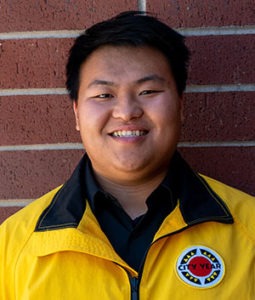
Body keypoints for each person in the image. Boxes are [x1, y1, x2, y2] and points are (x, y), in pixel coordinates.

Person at [0, 11, 254, 300]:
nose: (126, 112)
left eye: (148, 91)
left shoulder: (249, 229)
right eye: (104, 95)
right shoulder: (13, 246)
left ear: (181, 105)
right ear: (77, 113)